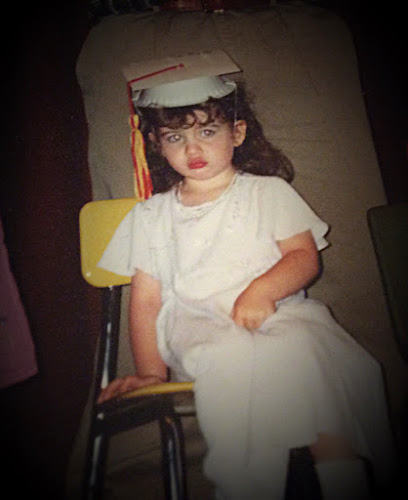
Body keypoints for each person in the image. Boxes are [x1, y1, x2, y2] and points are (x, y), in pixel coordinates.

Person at [97, 54, 396, 500]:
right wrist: (151, 375)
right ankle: (249, 484)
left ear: (237, 133)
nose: (192, 150)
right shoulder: (151, 216)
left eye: (207, 131)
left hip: (278, 314)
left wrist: (262, 290)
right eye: (176, 137)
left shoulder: (268, 192)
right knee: (232, 361)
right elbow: (146, 299)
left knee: (312, 352)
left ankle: (342, 475)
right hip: (200, 323)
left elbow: (303, 257)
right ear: (157, 144)